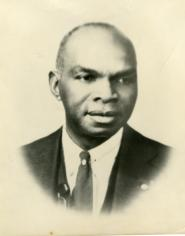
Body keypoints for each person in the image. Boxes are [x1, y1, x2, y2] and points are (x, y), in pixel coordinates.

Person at [21, 22, 170, 214]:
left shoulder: (175, 168)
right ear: (56, 85)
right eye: (87, 77)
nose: (107, 94)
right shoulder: (14, 167)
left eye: (123, 79)